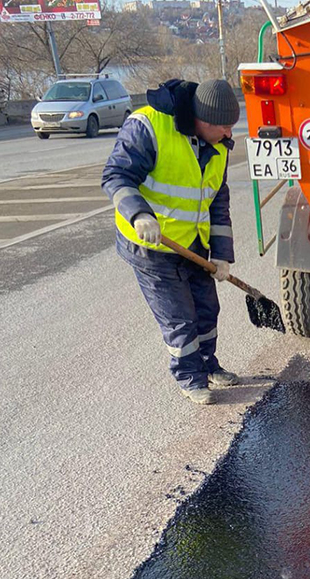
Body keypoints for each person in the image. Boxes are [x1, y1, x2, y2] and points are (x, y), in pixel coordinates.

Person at [102, 79, 240, 405]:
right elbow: (116, 176)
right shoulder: (147, 126)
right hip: (150, 244)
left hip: (191, 242)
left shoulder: (217, 146)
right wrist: (138, 215)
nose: (230, 134)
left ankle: (208, 365)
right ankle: (190, 378)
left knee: (207, 310)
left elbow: (217, 201)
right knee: (179, 317)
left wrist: (221, 256)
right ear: (202, 121)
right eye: (224, 127)